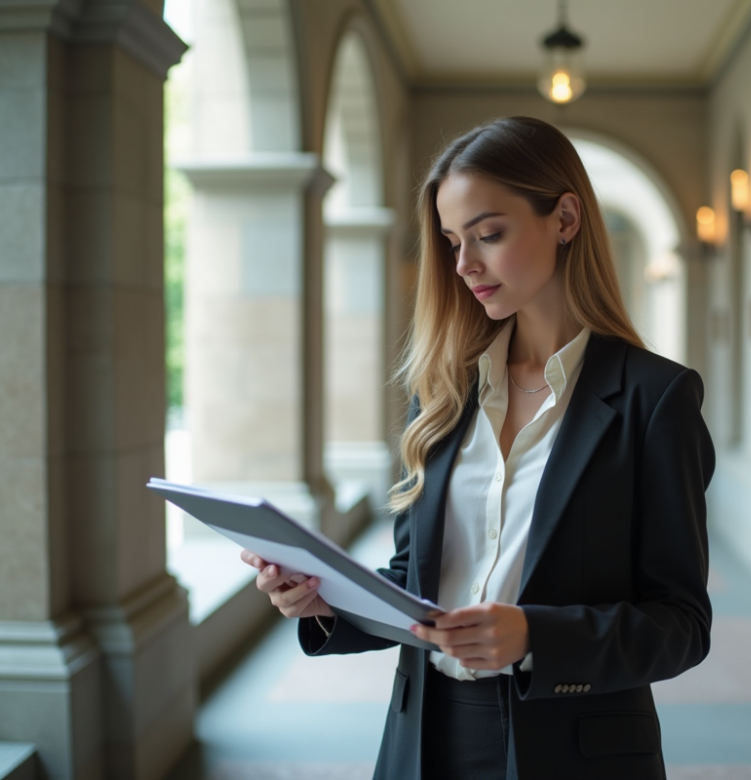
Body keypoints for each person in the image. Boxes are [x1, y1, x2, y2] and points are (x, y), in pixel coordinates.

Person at [241, 115, 715, 780]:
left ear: (565, 219)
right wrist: (326, 600)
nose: (464, 264)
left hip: (578, 747)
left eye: (489, 234)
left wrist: (533, 636)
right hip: (426, 735)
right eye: (452, 241)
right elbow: (415, 583)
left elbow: (682, 624)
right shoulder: (441, 392)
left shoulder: (654, 399)